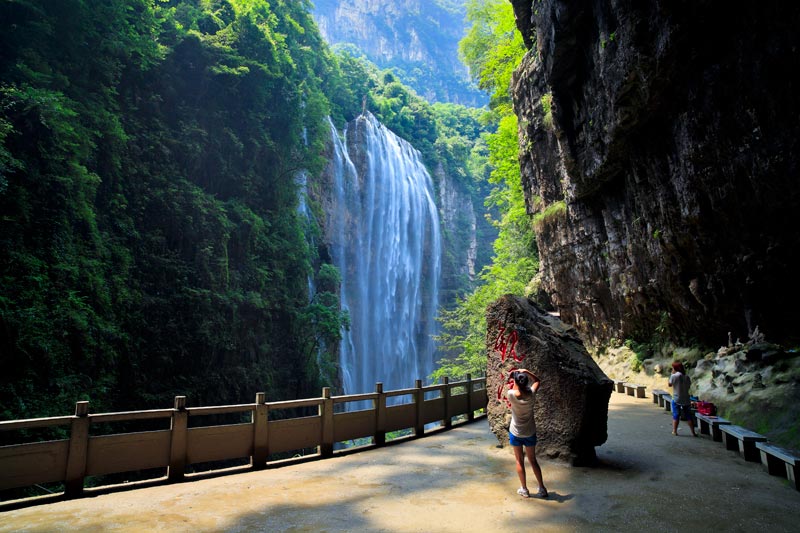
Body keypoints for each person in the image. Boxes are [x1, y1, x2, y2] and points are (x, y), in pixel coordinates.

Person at [506, 368, 548, 498]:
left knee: (519, 461)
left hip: (516, 432)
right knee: (533, 460)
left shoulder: (511, 394)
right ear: (526, 383)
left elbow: (513, 386)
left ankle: (524, 489)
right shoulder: (532, 393)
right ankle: (542, 488)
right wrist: (526, 371)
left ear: (516, 383)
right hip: (529, 432)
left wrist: (514, 376)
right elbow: (537, 380)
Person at [668, 361, 697, 437]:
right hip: (686, 399)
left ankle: (674, 431)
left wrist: (671, 374)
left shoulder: (674, 376)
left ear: (675, 368)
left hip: (677, 398)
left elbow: (669, 384)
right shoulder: (686, 376)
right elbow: (689, 386)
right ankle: (693, 432)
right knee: (688, 416)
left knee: (676, 415)